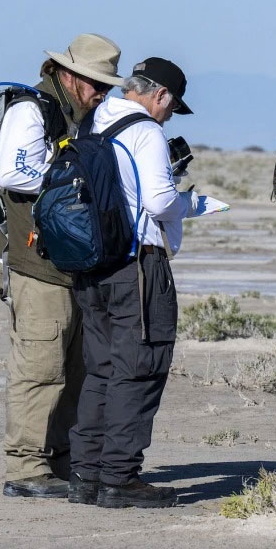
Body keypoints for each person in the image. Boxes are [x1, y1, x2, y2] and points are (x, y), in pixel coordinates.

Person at [0, 33, 123, 498]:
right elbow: (14, 173)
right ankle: (26, 468)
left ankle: (61, 459)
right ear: (68, 75)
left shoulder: (85, 117)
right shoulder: (32, 111)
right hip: (37, 265)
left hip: (77, 263)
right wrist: (73, 172)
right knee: (40, 366)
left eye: (106, 85)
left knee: (78, 367)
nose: (102, 93)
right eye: (95, 83)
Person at [66, 58, 197, 509]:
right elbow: (160, 200)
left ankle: (86, 475)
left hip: (91, 262)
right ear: (160, 95)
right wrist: (193, 203)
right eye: (171, 106)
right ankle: (119, 479)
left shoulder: (91, 121)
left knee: (100, 367)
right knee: (139, 366)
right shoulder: (146, 131)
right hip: (137, 263)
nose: (167, 115)